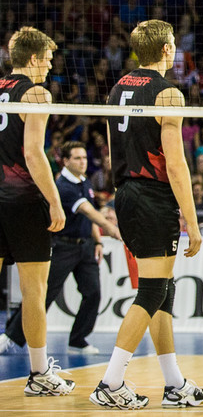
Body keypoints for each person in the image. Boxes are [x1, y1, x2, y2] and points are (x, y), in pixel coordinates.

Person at [90, 20, 203, 409]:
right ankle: (110, 381)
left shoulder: (118, 88)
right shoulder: (169, 94)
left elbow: (113, 148)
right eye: (174, 45)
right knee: (153, 290)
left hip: (125, 192)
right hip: (152, 196)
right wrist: (192, 223)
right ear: (165, 50)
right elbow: (176, 165)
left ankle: (174, 383)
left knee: (163, 289)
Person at [0, 27, 73, 395]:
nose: (49, 65)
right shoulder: (36, 92)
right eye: (46, 58)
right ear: (32, 59)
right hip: (23, 202)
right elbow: (32, 153)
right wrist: (55, 200)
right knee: (34, 289)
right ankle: (39, 374)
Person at [1, 140, 121, 356]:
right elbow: (88, 211)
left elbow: (90, 214)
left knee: (93, 292)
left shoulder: (85, 182)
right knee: (42, 295)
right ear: (65, 161)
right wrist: (111, 229)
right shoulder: (62, 187)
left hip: (85, 246)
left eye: (85, 157)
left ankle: (78, 340)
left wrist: (98, 240)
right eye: (77, 158)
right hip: (63, 246)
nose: (83, 162)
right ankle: (10, 336)